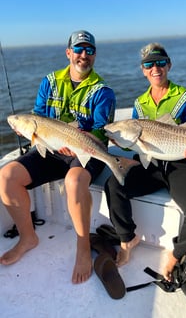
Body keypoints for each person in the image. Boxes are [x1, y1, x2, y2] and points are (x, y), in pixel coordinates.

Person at [0, 30, 116, 284]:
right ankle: (28, 237)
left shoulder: (103, 91)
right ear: (68, 53)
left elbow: (100, 132)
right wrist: (25, 127)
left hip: (85, 151)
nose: (83, 55)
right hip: (49, 146)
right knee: (6, 176)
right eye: (78, 49)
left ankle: (83, 247)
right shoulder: (49, 81)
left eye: (89, 50)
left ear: (94, 56)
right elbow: (38, 115)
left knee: (74, 181)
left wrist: (74, 144)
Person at [104, 42, 186, 281]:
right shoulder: (139, 103)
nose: (155, 68)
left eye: (160, 62)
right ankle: (126, 239)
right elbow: (134, 140)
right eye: (149, 64)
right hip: (151, 162)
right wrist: (117, 142)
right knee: (114, 184)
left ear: (169, 65)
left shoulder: (185, 98)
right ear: (143, 70)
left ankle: (176, 253)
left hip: (182, 162)